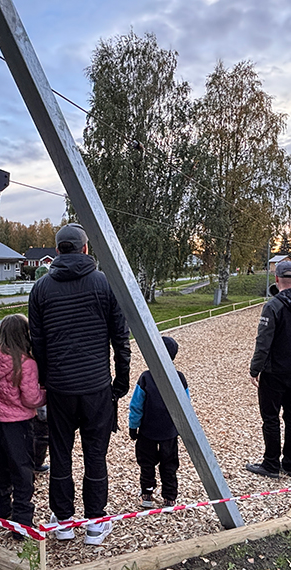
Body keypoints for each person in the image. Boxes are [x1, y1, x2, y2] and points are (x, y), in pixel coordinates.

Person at [29, 223, 130, 545]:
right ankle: (96, 522)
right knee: (95, 453)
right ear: (86, 248)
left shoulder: (41, 288)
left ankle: (63, 521)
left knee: (60, 452)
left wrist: (45, 382)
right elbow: (120, 338)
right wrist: (121, 379)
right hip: (96, 385)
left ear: (57, 250)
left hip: (60, 388)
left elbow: (38, 342)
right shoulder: (104, 283)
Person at [246, 259, 291, 479]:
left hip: (274, 372)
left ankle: (270, 464)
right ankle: (289, 464)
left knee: (270, 418)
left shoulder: (273, 306)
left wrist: (254, 369)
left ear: (277, 279)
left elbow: (263, 342)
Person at [0, 314, 45, 539]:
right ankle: (22, 521)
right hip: (18, 425)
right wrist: (46, 395)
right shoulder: (26, 363)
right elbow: (30, 398)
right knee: (22, 472)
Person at [128, 335, 187, 509]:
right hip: (169, 431)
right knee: (170, 464)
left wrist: (133, 426)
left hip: (147, 431)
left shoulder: (146, 378)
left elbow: (136, 405)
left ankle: (146, 494)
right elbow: (186, 406)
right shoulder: (180, 378)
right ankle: (170, 497)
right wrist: (183, 428)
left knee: (146, 462)